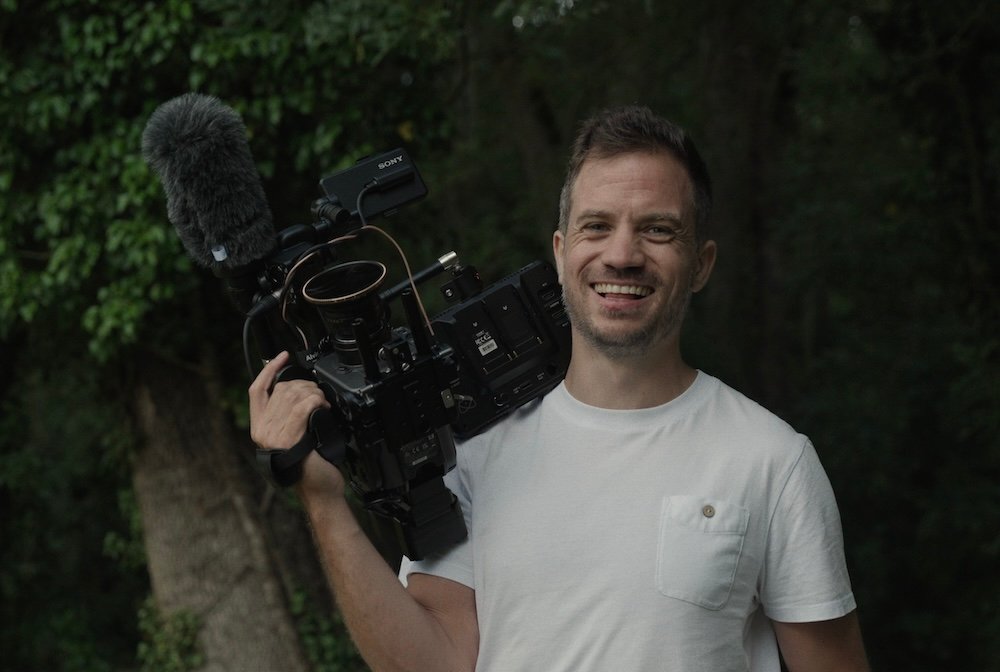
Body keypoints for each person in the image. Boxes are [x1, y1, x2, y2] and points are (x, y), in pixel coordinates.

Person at [249, 105, 870, 671]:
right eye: (596, 226)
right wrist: (323, 501)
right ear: (561, 249)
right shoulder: (470, 449)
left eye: (657, 230)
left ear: (701, 264)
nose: (622, 255)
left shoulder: (772, 462)